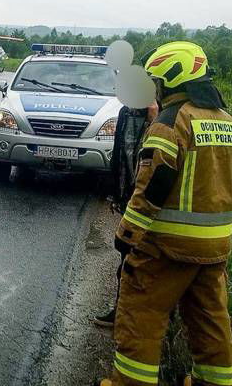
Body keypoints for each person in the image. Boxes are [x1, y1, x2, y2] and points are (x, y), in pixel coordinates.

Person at [96, 42, 232, 386]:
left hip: (165, 250)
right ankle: (214, 381)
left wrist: (126, 236)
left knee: (141, 315)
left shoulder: (170, 123)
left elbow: (151, 189)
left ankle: (129, 382)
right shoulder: (229, 123)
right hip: (214, 252)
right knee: (210, 320)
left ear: (170, 82)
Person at [93, 101, 158, 328]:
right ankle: (122, 313)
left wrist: (154, 119)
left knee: (147, 263)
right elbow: (120, 153)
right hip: (129, 197)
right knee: (126, 259)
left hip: (152, 206)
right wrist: (115, 193)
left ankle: (147, 319)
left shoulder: (165, 119)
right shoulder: (126, 113)